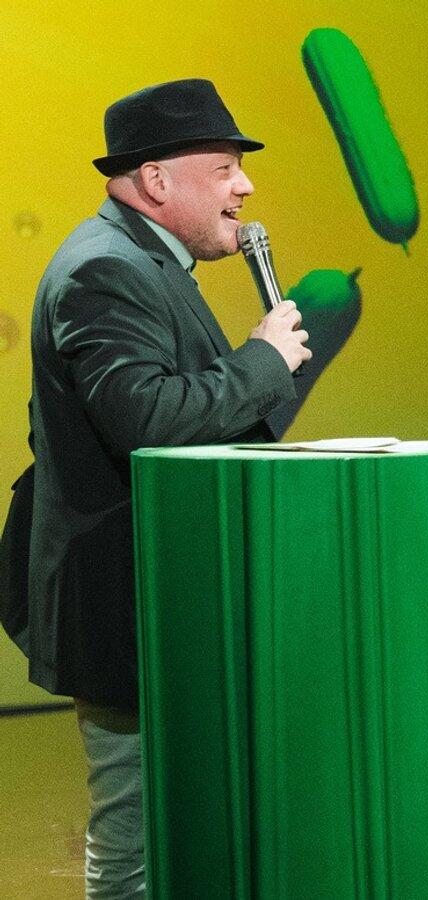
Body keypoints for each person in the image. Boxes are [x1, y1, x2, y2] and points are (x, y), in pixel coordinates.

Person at [12, 78, 310, 897]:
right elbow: (144, 417)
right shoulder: (104, 270)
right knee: (135, 842)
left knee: (179, 825)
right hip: (127, 604)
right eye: (224, 169)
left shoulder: (143, 262)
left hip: (164, 598)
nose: (245, 186)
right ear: (155, 180)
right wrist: (261, 360)